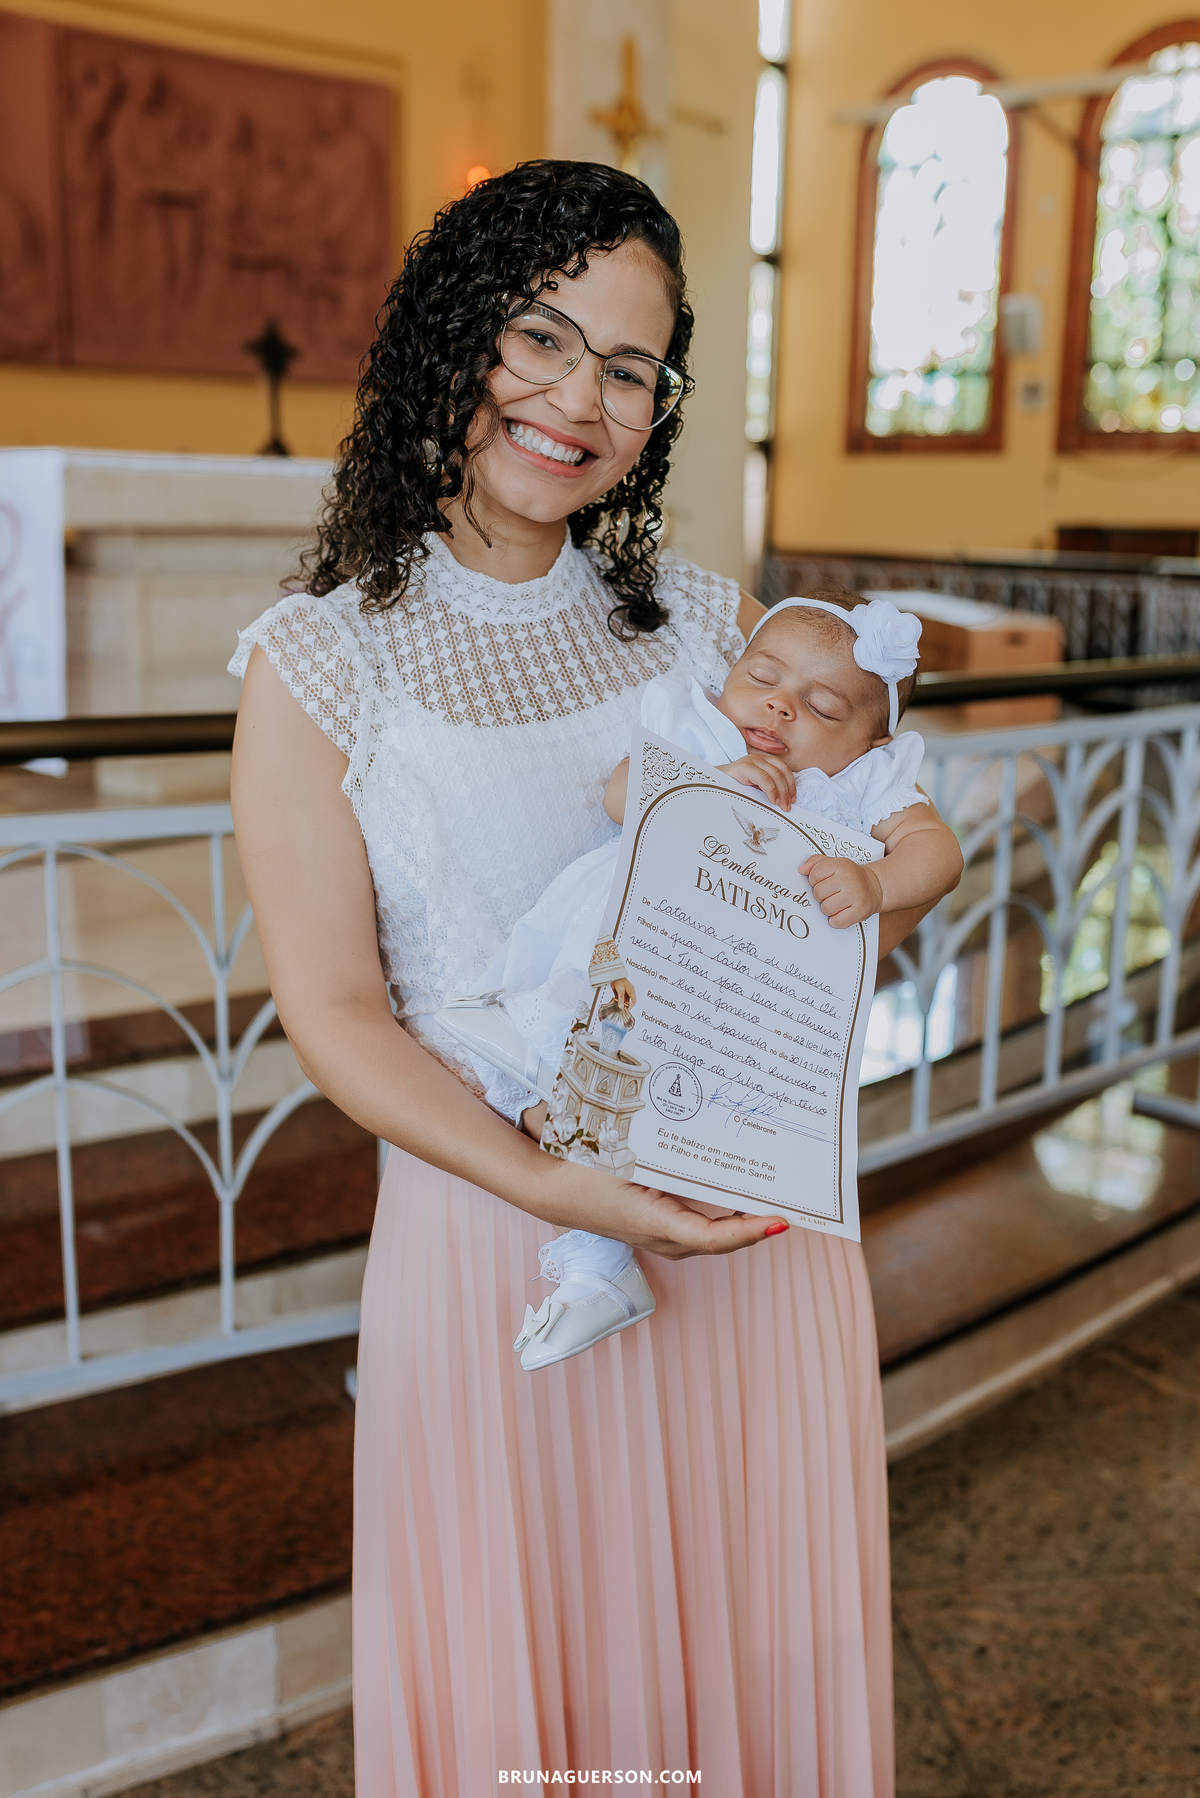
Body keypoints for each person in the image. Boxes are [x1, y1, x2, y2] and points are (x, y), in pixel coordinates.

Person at [230, 160, 934, 1796]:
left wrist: (849, 888)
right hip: (501, 1231)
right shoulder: (320, 659)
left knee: (746, 1660)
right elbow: (336, 1013)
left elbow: (832, 853)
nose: (579, 398)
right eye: (543, 338)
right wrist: (563, 1178)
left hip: (743, 1228)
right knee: (537, 1693)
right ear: (455, 336)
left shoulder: (709, 624)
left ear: (661, 403)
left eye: (629, 366)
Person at [441, 592, 964, 1371]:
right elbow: (620, 795)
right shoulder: (701, 732)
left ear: (868, 743)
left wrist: (877, 883)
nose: (779, 708)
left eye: (820, 707)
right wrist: (709, 783)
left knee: (641, 1114)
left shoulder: (868, 783)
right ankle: (598, 1260)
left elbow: (939, 854)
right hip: (634, 946)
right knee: (557, 1088)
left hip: (739, 991)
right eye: (763, 677)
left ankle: (599, 1267)